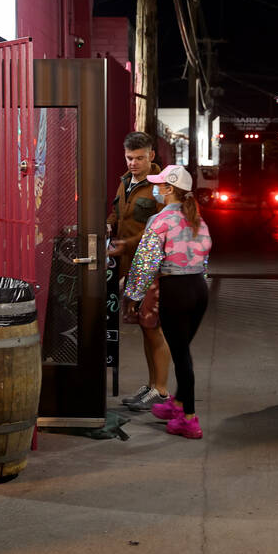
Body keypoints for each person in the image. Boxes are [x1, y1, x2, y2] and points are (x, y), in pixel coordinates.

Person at [124, 165, 213, 439]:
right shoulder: (197, 218)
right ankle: (176, 404)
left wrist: (133, 296)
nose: (156, 190)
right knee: (182, 349)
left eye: (160, 185)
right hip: (199, 288)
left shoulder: (160, 220)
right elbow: (205, 255)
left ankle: (189, 419)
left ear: (170, 189)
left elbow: (144, 262)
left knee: (182, 356)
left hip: (175, 290)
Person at [110, 131, 169, 411]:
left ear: (152, 156)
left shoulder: (160, 187)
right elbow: (117, 214)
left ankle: (161, 389)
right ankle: (151, 385)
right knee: (145, 329)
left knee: (154, 329)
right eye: (129, 158)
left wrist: (127, 244)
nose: (133, 163)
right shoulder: (124, 182)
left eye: (139, 158)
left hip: (151, 268)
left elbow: (160, 229)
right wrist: (108, 226)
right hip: (130, 268)